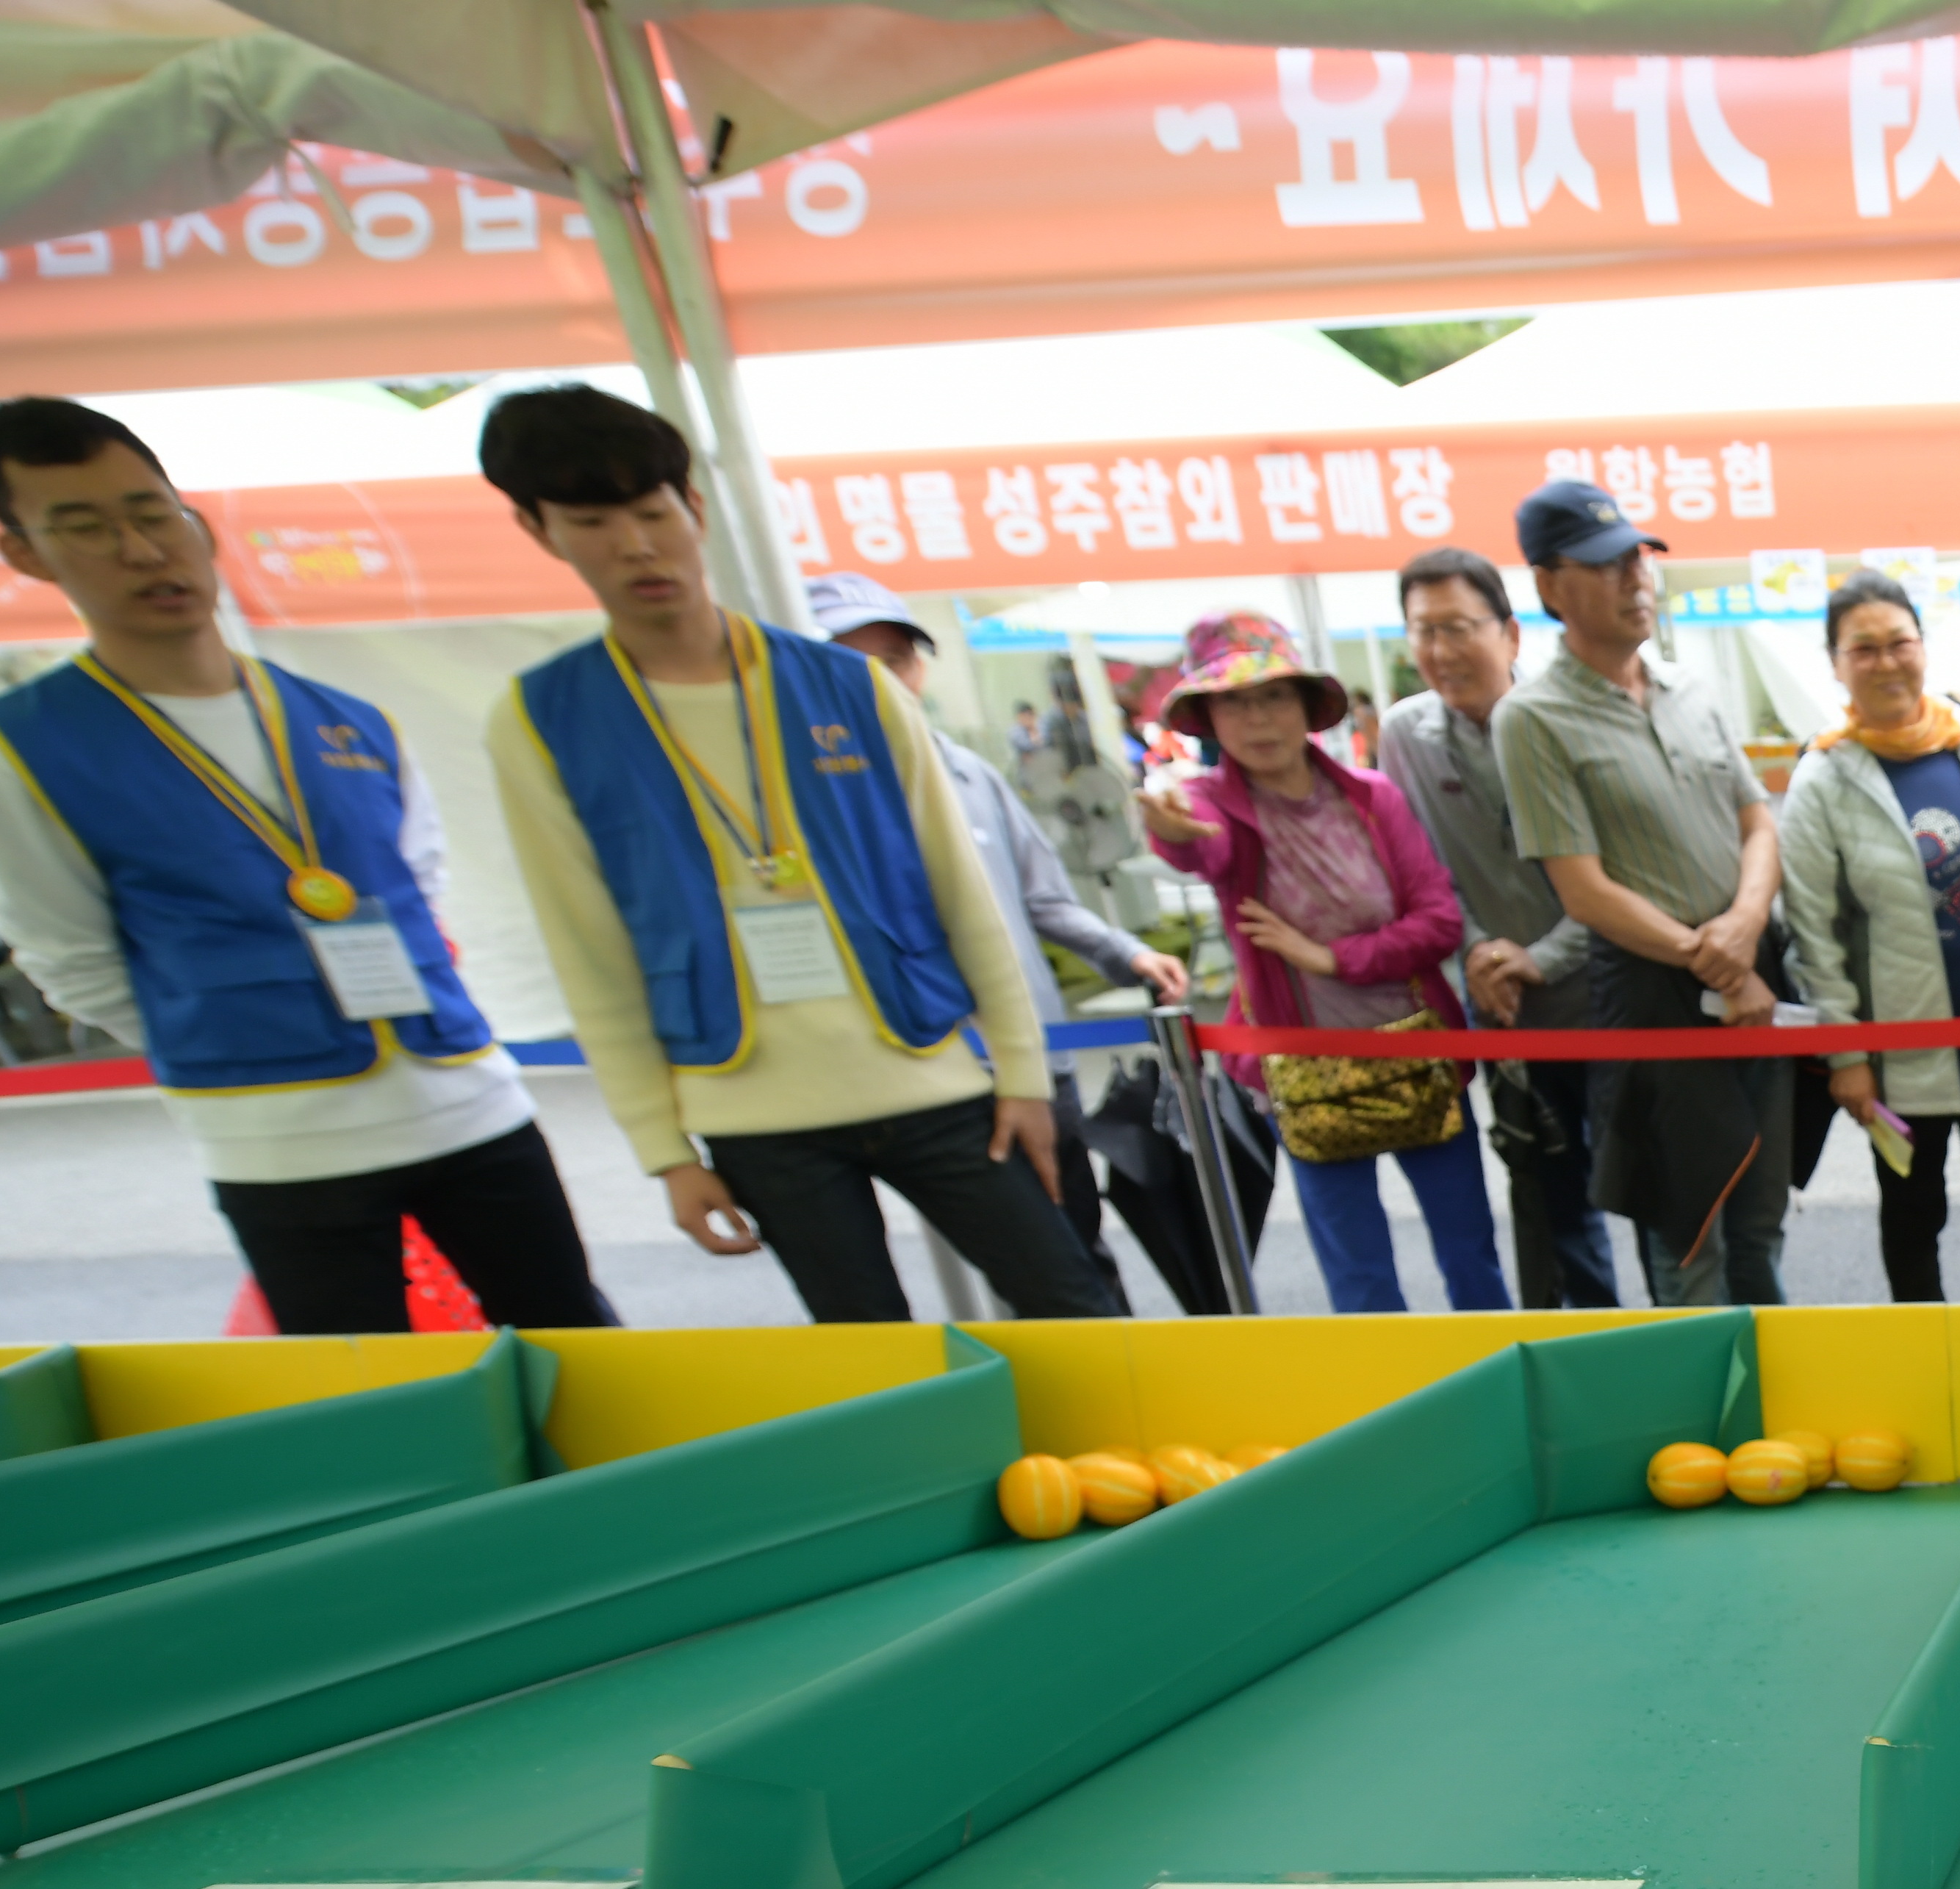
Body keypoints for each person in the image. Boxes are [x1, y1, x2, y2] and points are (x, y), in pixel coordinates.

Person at [478, 384, 1116, 1322]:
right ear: (540, 532)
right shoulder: (540, 721)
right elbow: (591, 952)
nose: (636, 546)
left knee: (1076, 1309)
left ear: (695, 510)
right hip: (753, 1113)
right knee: (870, 1351)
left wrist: (1020, 1074)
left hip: (932, 1074)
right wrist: (666, 1153)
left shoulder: (854, 686)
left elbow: (963, 892)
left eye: (653, 513)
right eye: (592, 523)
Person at [0, 397, 609, 1334]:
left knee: (577, 1345)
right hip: (277, 1138)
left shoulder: (345, 717)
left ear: (196, 526)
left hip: (469, 1098)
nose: (141, 551)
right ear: (27, 555)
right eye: (86, 527)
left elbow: (418, 885)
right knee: (368, 1393)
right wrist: (235, 1030)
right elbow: (73, 960)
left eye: (153, 514)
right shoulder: (24, 749)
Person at [806, 570, 1184, 1305]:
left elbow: (1043, 898)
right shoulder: (811, 798)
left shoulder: (970, 775)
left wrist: (1127, 953)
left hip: (1035, 1060)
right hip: (931, 1076)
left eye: (897, 660)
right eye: (855, 664)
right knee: (1003, 1269)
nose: (883, 682)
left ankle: (1111, 1377)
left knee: (1076, 1256)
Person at [1138, 612, 1506, 1314]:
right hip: (1302, 1068)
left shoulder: (1373, 797)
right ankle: (1384, 1386)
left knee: (1471, 1252)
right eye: (1235, 702)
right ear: (1209, 718)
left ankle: (1496, 1373)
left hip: (1417, 1053)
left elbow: (1438, 923)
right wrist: (1168, 827)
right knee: (1359, 1276)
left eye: (1274, 696)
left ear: (1307, 704)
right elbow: (1199, 844)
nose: (1258, 719)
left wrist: (1328, 958)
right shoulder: (1212, 804)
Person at [1493, 476, 1795, 1307]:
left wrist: (1745, 927)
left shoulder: (1690, 688)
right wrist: (1719, 961)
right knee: (1688, 1229)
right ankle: (1702, 1389)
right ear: (1549, 586)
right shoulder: (1533, 717)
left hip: (1752, 969)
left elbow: (1759, 824)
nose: (1635, 580)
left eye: (1639, 559)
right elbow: (1584, 891)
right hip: (1655, 992)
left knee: (1761, 1218)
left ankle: (1770, 1381)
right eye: (1605, 565)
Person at [1776, 570, 1960, 1302]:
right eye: (1864, 648)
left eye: (1899, 642)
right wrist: (1846, 1055)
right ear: (1836, 663)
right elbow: (1814, 934)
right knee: (1914, 1214)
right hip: (1900, 1056)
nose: (1886, 662)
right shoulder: (1824, 778)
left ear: (1923, 647)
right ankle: (1923, 1344)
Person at [1376, 545, 1618, 1309]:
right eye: (1424, 631)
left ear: (1510, 634)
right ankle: (1586, 1339)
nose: (1441, 650)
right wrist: (1482, 952)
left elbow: (1624, 871)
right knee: (1547, 1190)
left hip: (1610, 985)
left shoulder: (1570, 717)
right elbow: (1420, 866)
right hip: (1505, 1003)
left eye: (1458, 627)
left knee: (1646, 1182)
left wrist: (1542, 956)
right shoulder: (1405, 735)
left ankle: (1673, 1342)